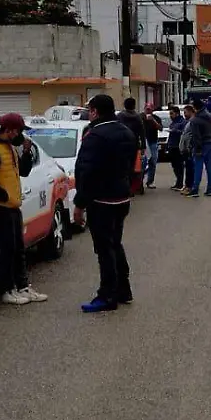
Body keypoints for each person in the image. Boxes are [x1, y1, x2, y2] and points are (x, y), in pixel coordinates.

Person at [73, 95, 139, 313]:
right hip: (121, 196)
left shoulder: (95, 136)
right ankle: (123, 289)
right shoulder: (126, 132)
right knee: (115, 244)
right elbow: (131, 164)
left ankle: (107, 294)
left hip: (102, 200)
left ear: (94, 112)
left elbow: (86, 172)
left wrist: (79, 204)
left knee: (104, 249)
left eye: (90, 110)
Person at [0, 113, 46, 305]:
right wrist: (4, 196)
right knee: (6, 249)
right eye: (19, 132)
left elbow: (23, 172)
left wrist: (25, 152)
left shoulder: (10, 148)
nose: (21, 135)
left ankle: (22, 286)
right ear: (10, 130)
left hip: (13, 207)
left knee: (18, 249)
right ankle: (7, 289)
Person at [187, 98, 211, 197]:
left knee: (198, 167)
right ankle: (210, 189)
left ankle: (195, 189)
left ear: (195, 108)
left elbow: (196, 136)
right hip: (210, 142)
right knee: (209, 167)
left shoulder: (195, 120)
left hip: (201, 145)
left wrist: (198, 149)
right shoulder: (210, 116)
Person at [117, 98, 146, 195]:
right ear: (134, 105)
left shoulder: (120, 116)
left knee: (123, 167)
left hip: (121, 144)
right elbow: (142, 132)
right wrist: (143, 146)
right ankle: (132, 188)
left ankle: (125, 188)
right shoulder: (137, 117)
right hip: (134, 145)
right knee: (133, 168)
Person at [166, 106, 187, 191]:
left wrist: (176, 131)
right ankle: (178, 182)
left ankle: (180, 183)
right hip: (172, 146)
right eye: (169, 114)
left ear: (177, 113)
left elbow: (184, 133)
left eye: (172, 113)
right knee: (174, 165)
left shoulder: (182, 122)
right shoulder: (173, 122)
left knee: (179, 165)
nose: (170, 116)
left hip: (178, 147)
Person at [142, 103, 163, 189]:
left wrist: (153, 120)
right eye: (147, 109)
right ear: (144, 109)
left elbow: (160, 128)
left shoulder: (156, 118)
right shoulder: (140, 117)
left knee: (153, 162)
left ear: (152, 110)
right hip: (144, 142)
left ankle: (150, 182)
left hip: (153, 142)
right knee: (142, 163)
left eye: (150, 109)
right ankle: (139, 181)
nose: (148, 110)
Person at [180, 104, 198, 194]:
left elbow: (191, 137)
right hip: (186, 149)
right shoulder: (189, 122)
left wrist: (189, 148)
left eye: (185, 112)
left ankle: (190, 187)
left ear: (191, 112)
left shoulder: (193, 122)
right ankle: (187, 186)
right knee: (188, 168)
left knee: (190, 169)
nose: (184, 114)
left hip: (190, 150)